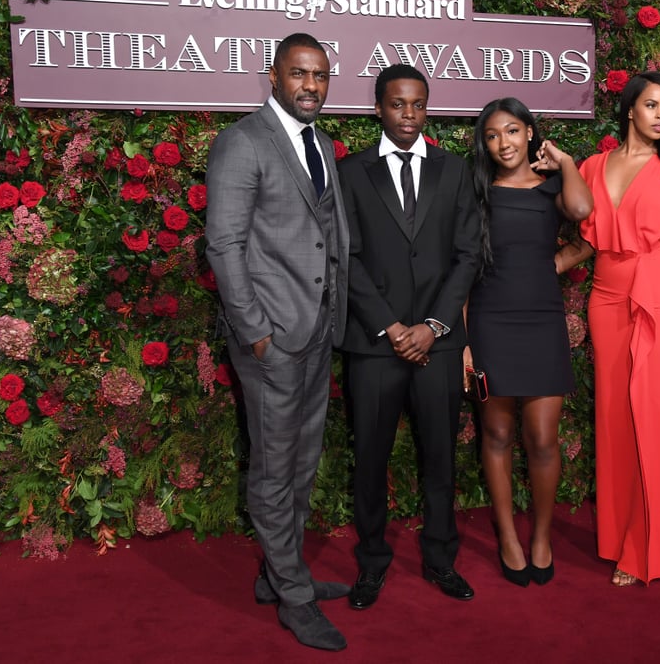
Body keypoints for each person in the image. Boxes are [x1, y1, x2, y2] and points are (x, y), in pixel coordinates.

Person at [204, 33, 351, 651]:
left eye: (319, 75)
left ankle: (277, 573)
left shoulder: (319, 142)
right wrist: (256, 332)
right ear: (273, 76)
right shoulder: (243, 142)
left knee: (302, 459)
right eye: (299, 74)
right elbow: (224, 245)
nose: (311, 85)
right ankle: (292, 595)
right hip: (274, 337)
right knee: (273, 467)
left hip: (318, 330)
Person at [338, 64, 480, 610]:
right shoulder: (351, 173)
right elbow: (345, 257)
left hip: (438, 345)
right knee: (370, 459)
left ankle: (441, 558)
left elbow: (467, 255)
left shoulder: (455, 170)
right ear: (378, 107)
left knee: (440, 458)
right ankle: (371, 563)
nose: (408, 115)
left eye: (418, 104)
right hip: (375, 344)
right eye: (398, 105)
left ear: (427, 108)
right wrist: (394, 327)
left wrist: (433, 326)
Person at [578, 71, 660, 586]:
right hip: (606, 300)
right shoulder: (592, 166)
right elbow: (590, 240)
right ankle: (616, 538)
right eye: (651, 105)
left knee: (652, 423)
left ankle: (647, 550)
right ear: (629, 108)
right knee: (614, 421)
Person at [465, 98, 593, 587]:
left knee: (542, 438)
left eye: (513, 131)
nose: (504, 143)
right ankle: (508, 537)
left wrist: (564, 161)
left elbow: (584, 217)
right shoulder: (476, 192)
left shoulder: (553, 187)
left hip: (542, 321)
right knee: (495, 435)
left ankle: (541, 535)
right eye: (494, 135)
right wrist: (463, 343)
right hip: (489, 323)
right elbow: (461, 269)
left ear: (530, 133)